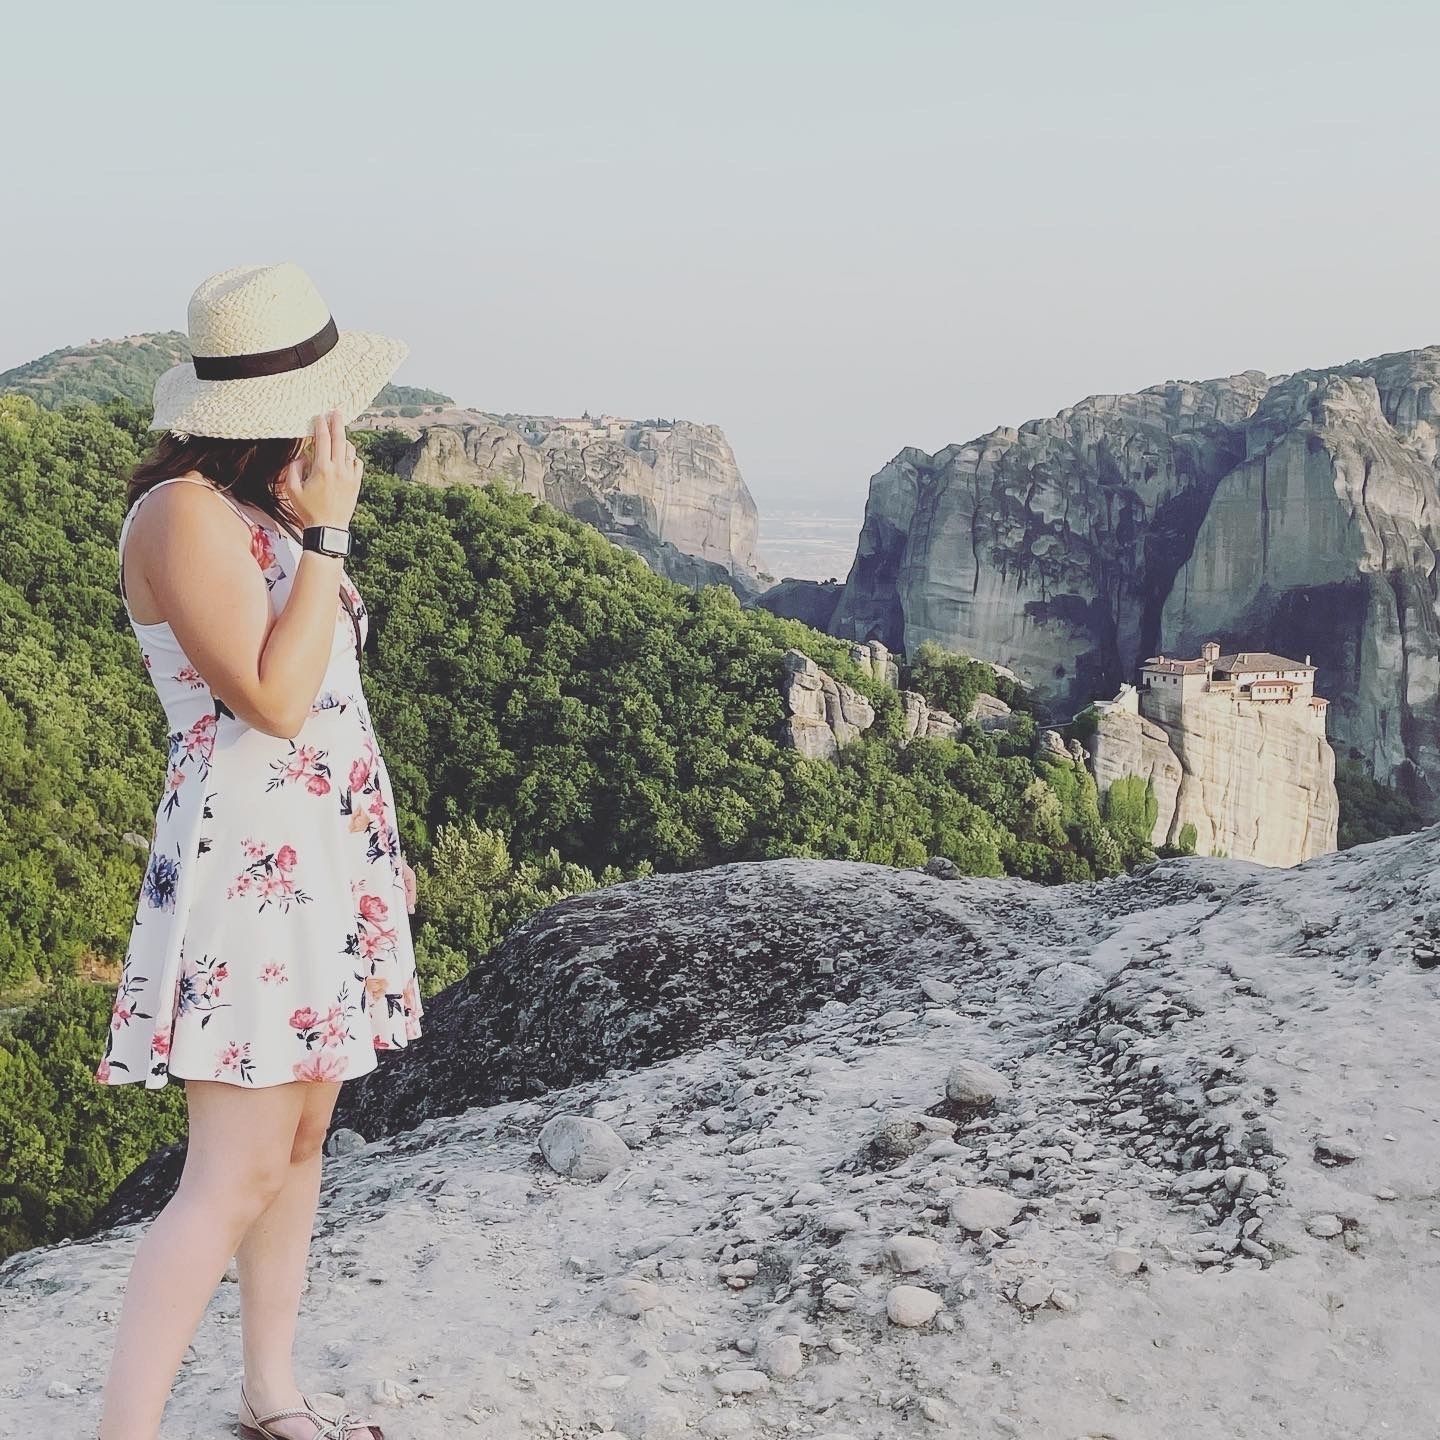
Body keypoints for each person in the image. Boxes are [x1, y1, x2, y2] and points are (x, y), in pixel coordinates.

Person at [94, 262, 423, 1440]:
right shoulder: (184, 514)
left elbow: (334, 708)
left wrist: (374, 850)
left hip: (318, 861)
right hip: (245, 872)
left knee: (297, 1143)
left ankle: (268, 1392)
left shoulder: (267, 511)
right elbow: (273, 703)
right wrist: (329, 533)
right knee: (229, 1174)